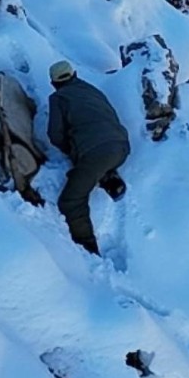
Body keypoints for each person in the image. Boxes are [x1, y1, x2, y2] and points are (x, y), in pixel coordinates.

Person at [46, 60, 130, 255]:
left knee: (71, 200)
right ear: (74, 74)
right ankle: (110, 179)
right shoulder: (92, 90)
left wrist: (73, 150)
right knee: (95, 164)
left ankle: (87, 247)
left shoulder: (58, 98)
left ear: (54, 83)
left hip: (95, 154)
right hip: (122, 146)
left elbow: (55, 135)